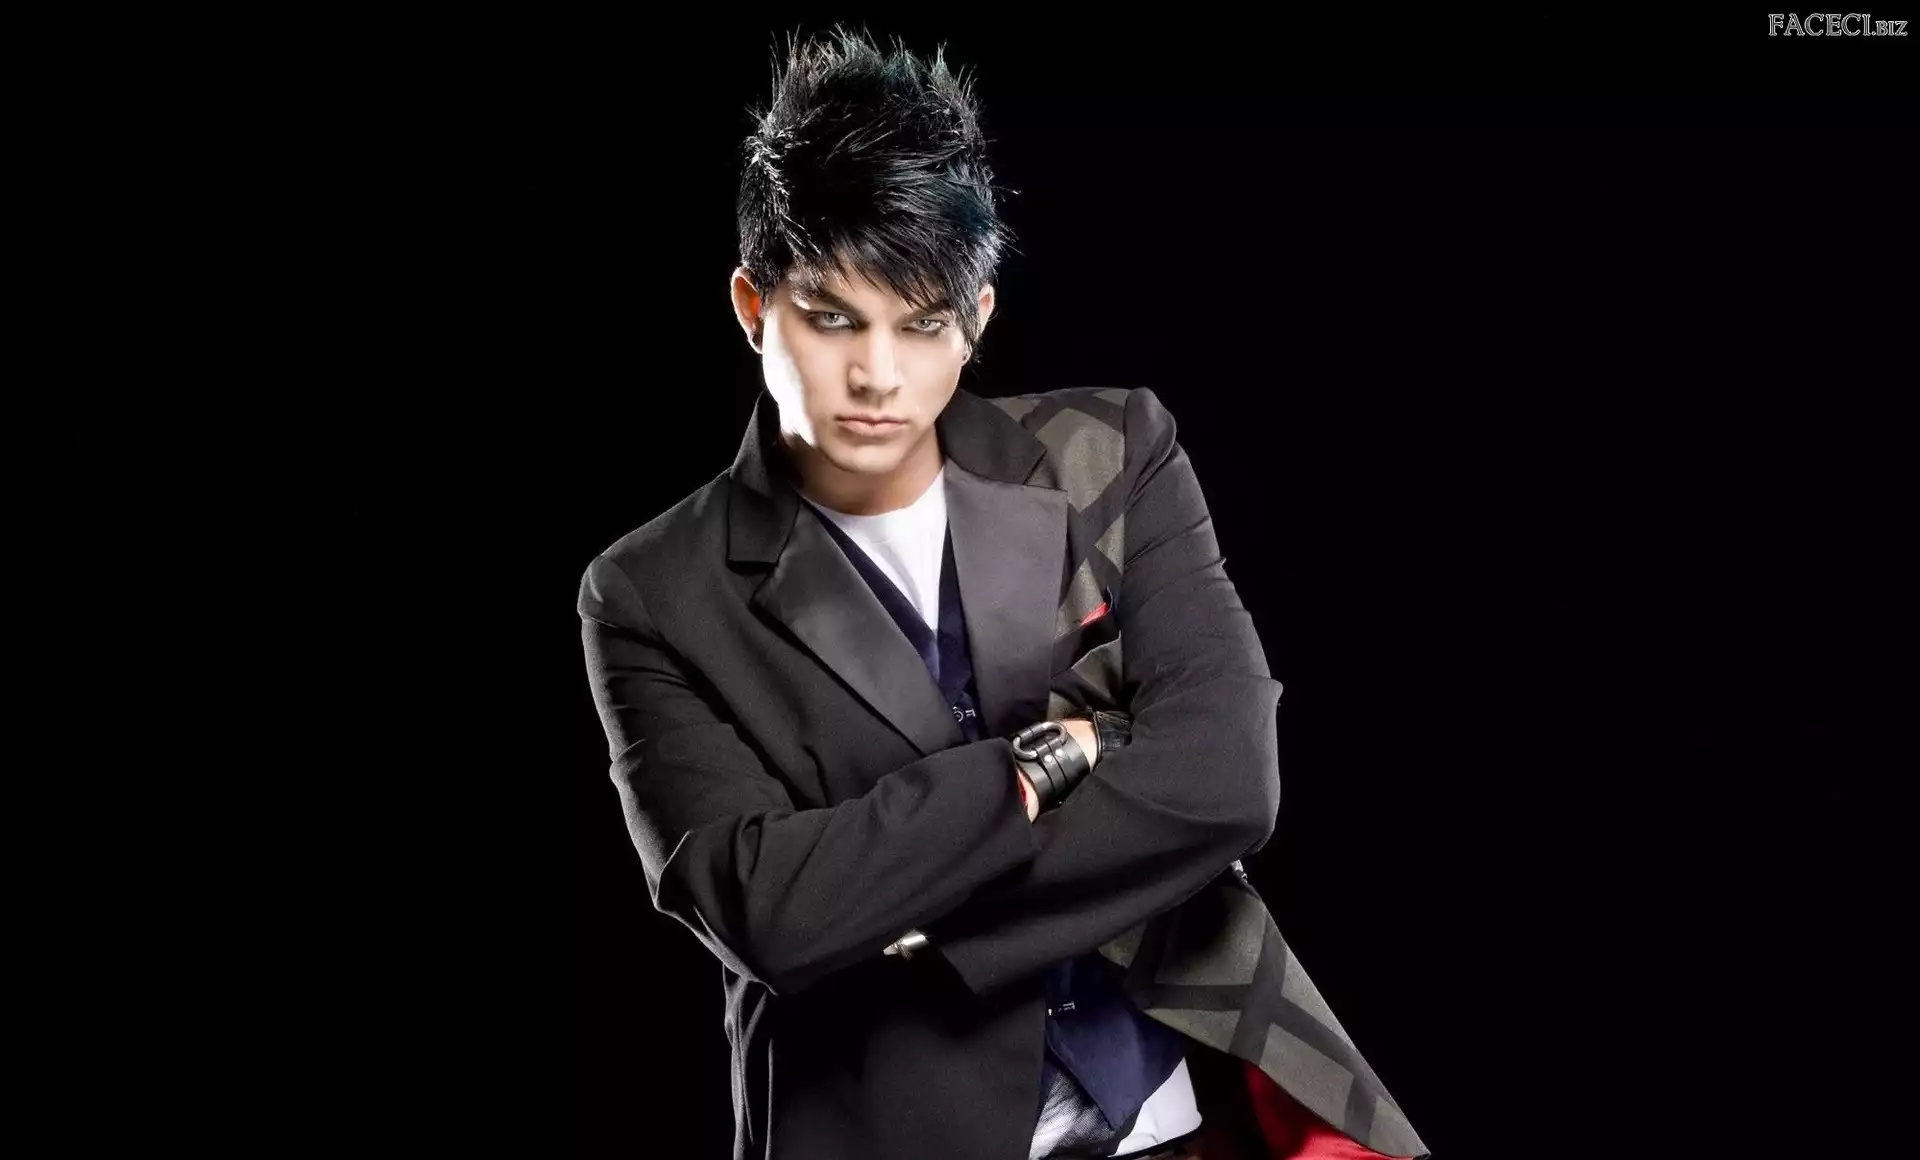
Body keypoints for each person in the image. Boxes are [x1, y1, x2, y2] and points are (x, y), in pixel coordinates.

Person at [576, 27, 1426, 1160]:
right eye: (832, 317)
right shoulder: (651, 590)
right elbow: (773, 914)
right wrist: (1052, 760)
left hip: (1181, 1122)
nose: (878, 373)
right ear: (752, 305)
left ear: (974, 319)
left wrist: (913, 917)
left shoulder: (1111, 453)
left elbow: (1229, 780)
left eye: (922, 323)